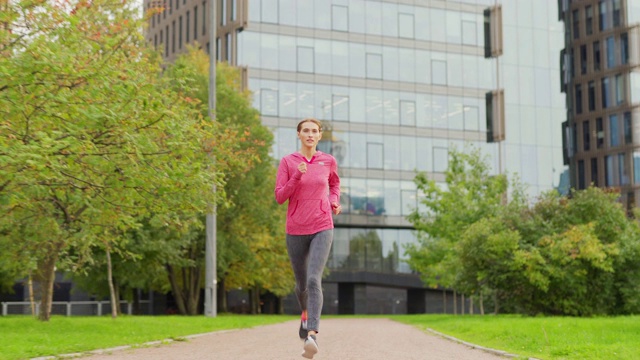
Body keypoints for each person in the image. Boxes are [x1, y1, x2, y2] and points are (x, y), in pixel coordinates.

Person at [274, 118, 341, 359]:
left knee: (314, 279)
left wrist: (334, 201)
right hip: (295, 229)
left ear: (319, 135)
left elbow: (334, 184)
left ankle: (312, 334)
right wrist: (296, 177)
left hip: (323, 225)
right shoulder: (288, 162)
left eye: (314, 131)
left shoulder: (328, 161)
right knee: (301, 284)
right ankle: (304, 313)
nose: (310, 135)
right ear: (299, 135)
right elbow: (280, 197)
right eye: (306, 131)